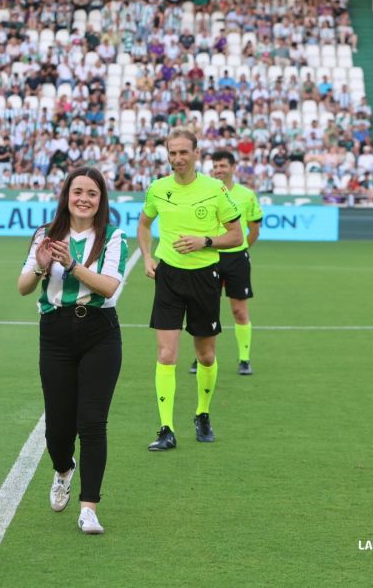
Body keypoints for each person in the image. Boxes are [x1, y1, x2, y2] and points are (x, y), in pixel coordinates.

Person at [18, 167, 127, 534]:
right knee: (58, 430)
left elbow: (109, 287)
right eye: (77, 191)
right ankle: (64, 468)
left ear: (101, 200)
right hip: (55, 333)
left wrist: (72, 265)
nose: (83, 198)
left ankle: (89, 507)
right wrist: (40, 265)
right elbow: (22, 287)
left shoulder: (112, 237)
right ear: (67, 195)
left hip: (100, 333)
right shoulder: (45, 234)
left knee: (93, 422)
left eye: (92, 193)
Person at [137, 129, 243, 451]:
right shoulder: (158, 189)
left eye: (184, 152)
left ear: (197, 154)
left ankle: (202, 413)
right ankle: (166, 427)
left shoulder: (214, 189)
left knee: (206, 355)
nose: (178, 159)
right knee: (166, 354)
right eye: (173, 153)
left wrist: (205, 241)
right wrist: (146, 256)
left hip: (204, 277)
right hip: (168, 277)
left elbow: (237, 235)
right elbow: (143, 224)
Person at [189, 150, 263, 376]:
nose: (219, 170)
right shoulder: (205, 192)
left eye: (223, 166)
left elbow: (254, 229)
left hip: (236, 258)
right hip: (209, 256)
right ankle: (202, 356)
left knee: (239, 311)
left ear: (233, 168)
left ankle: (244, 358)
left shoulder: (247, 195)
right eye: (215, 166)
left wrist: (241, 250)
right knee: (205, 309)